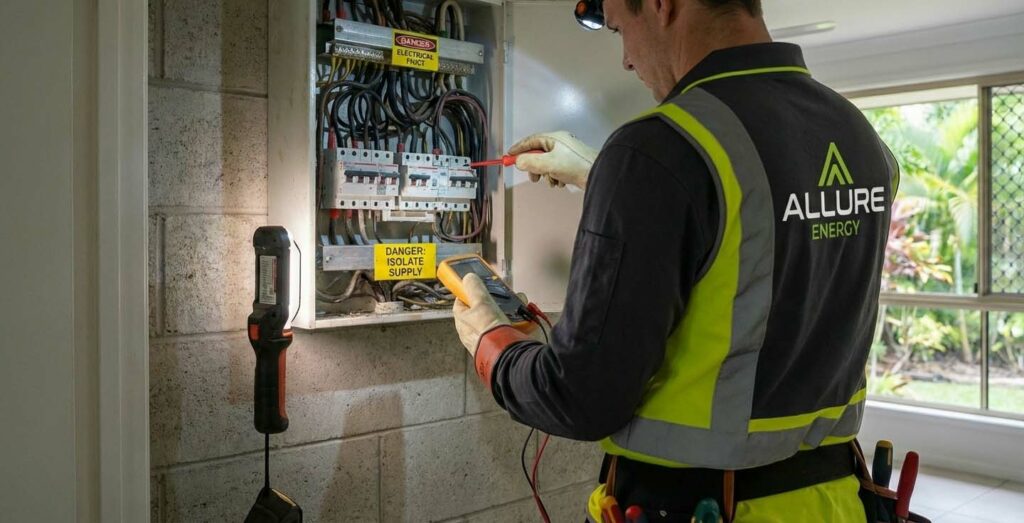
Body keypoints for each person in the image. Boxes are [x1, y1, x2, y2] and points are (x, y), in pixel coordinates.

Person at [451, 0, 899, 520]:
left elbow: (580, 397)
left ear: (661, 5)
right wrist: (606, 176)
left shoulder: (658, 146)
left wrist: (492, 344)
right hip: (837, 502)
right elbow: (757, 231)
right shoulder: (860, 137)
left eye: (620, 29)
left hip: (700, 508)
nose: (626, 59)